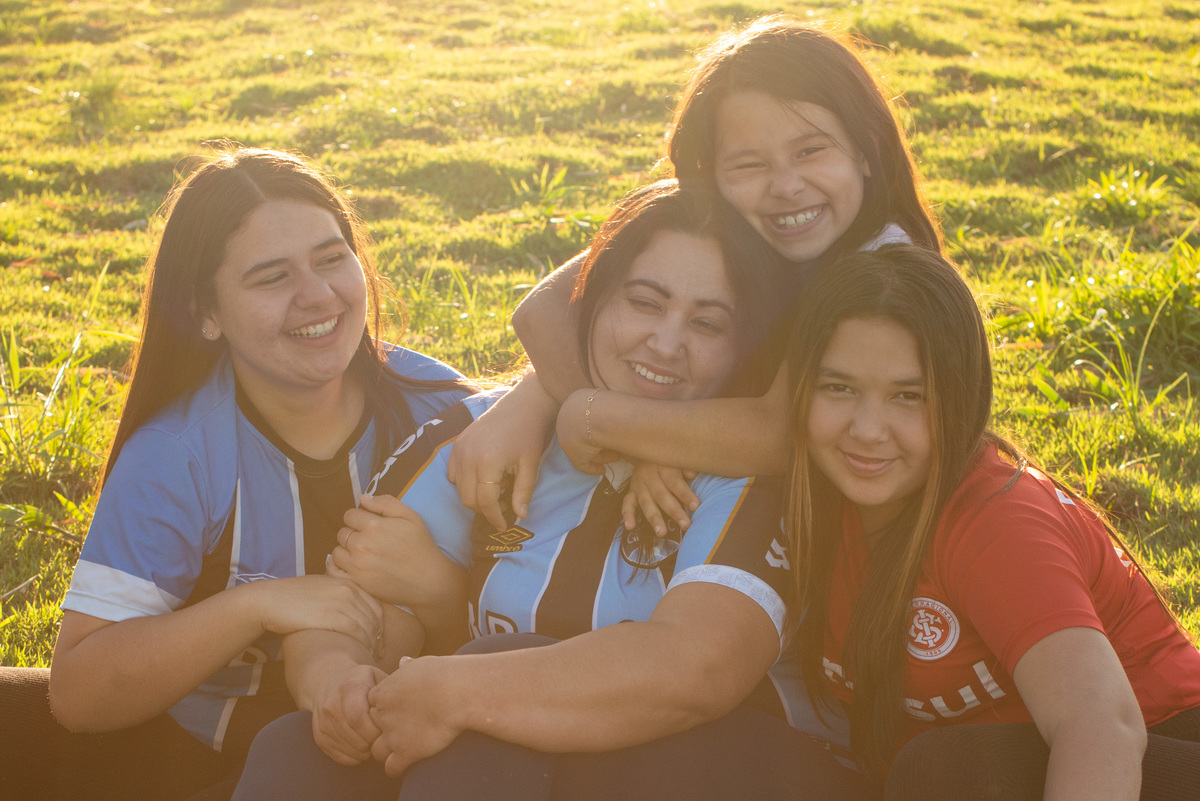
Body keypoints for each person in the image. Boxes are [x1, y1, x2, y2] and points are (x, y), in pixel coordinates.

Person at [230, 182, 876, 801]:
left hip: (732, 764)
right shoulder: (485, 436)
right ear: (590, 300)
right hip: (523, 763)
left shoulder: (754, 470)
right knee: (298, 746)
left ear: (745, 349)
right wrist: (341, 683)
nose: (666, 341)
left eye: (708, 324)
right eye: (644, 302)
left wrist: (460, 688)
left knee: (494, 693)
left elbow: (698, 671)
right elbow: (348, 611)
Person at [0, 147, 471, 801]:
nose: (318, 294)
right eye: (271, 277)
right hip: (185, 751)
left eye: (333, 257)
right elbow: (79, 690)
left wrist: (441, 589)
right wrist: (259, 604)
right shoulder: (178, 451)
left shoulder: (448, 410)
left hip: (397, 751)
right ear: (205, 313)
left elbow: (541, 612)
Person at [449, 14, 942, 546]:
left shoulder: (880, 272)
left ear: (867, 149)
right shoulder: (753, 236)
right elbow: (545, 309)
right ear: (710, 179)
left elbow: (779, 432)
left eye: (811, 151)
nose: (785, 186)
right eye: (748, 165)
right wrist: (544, 402)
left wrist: (601, 420)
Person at [784, 244, 1200, 800]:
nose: (867, 429)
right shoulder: (806, 493)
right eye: (839, 388)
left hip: (1144, 755)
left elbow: (1101, 725)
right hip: (1011, 766)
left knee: (942, 770)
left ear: (961, 398)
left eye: (909, 396)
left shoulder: (996, 519)